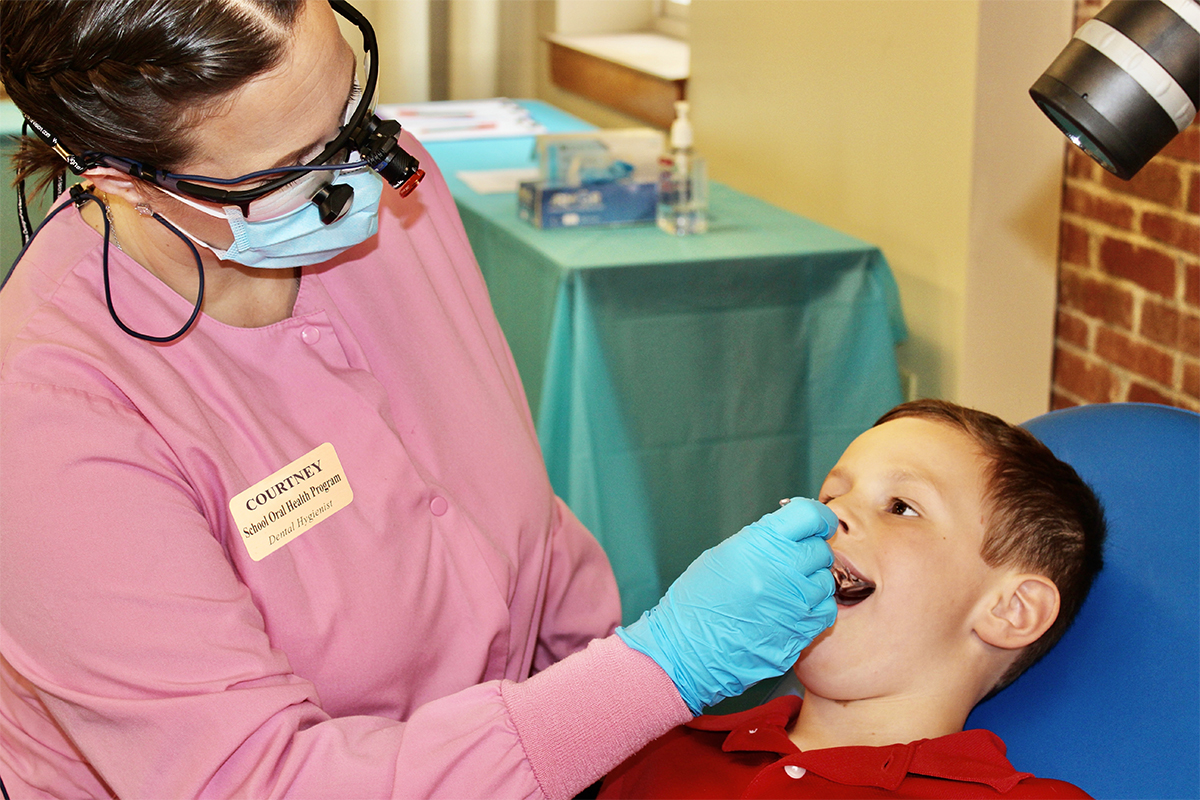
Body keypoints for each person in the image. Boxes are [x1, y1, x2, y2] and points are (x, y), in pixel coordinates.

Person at [0, 1, 842, 797]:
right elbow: (259, 782)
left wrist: (607, 707)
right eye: (296, 169)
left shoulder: (394, 195)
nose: (361, 172)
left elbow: (511, 511)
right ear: (125, 182)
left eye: (351, 110)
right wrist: (660, 672)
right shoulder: (54, 419)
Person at [598, 399, 1106, 799]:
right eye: (829, 497)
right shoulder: (655, 749)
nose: (827, 516)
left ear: (1010, 611)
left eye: (902, 507)